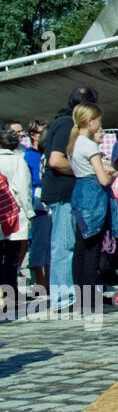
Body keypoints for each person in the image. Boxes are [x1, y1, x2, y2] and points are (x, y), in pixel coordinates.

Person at [43, 86, 99, 312]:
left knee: (69, 246)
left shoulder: (62, 123)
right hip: (63, 194)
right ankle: (63, 298)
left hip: (66, 193)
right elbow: (55, 160)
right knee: (64, 246)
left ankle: (71, 294)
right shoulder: (67, 124)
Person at [67, 104, 118, 302]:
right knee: (93, 250)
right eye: (98, 120)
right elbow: (103, 179)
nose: (100, 125)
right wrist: (111, 172)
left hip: (79, 194)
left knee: (80, 248)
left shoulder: (74, 143)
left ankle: (81, 295)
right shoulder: (89, 146)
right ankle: (91, 296)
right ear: (90, 121)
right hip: (94, 198)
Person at [0, 126, 34, 318]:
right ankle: (10, 298)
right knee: (12, 259)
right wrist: (29, 213)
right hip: (14, 215)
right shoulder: (17, 161)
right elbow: (22, 189)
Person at [24, 120, 50, 295]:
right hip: (38, 203)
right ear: (33, 135)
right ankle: (39, 282)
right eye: (42, 132)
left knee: (50, 244)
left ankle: (49, 280)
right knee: (39, 243)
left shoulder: (48, 152)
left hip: (48, 202)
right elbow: (32, 179)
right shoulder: (29, 156)